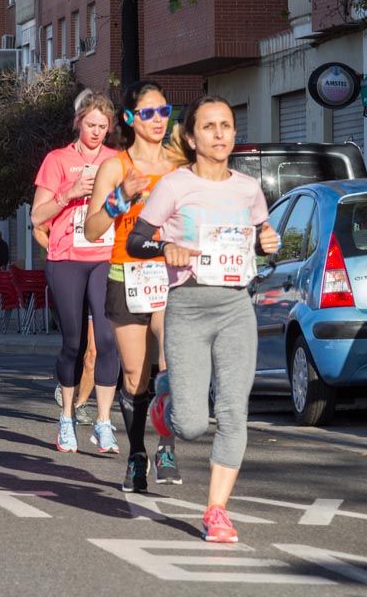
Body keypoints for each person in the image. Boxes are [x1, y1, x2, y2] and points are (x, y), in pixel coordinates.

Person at [127, 97, 277, 543]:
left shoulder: (249, 189)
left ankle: (216, 511)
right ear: (191, 138)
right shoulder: (175, 185)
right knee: (191, 424)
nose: (219, 134)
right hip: (188, 306)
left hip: (235, 306)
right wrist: (165, 248)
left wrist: (268, 241)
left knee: (233, 412)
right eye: (209, 127)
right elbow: (137, 241)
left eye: (226, 126)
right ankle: (165, 403)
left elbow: (258, 241)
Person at [85, 80, 178, 491]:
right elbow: (92, 230)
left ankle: (168, 446)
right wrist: (120, 197)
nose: (158, 120)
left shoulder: (179, 163)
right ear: (129, 118)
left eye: (163, 111)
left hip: (171, 276)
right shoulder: (115, 167)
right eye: (148, 113)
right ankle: (138, 454)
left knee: (171, 360)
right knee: (134, 373)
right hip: (127, 276)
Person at [31, 89, 120, 453]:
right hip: (66, 257)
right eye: (91, 125)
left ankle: (103, 422)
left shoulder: (117, 160)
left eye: (103, 126)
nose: (97, 132)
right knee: (73, 343)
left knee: (107, 340)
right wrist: (69, 192)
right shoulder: (57, 160)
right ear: (78, 123)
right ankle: (66, 418)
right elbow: (37, 216)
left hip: (106, 256)